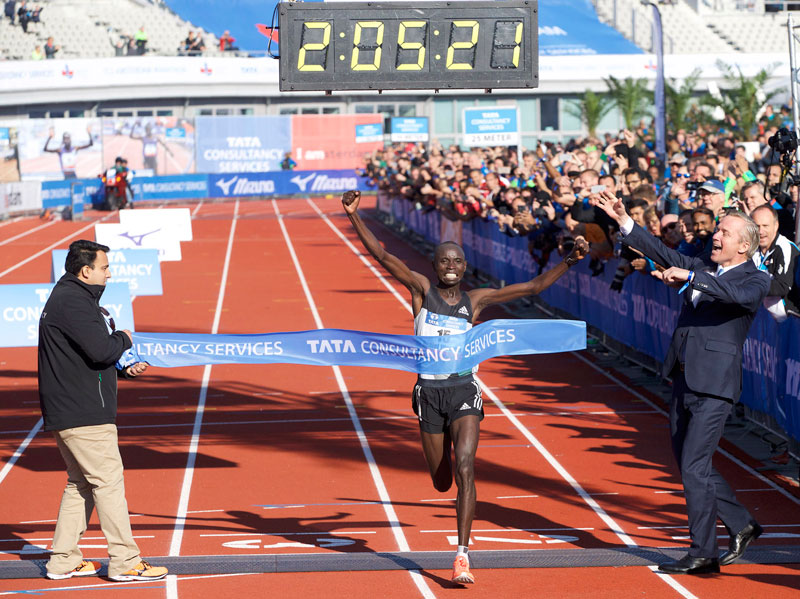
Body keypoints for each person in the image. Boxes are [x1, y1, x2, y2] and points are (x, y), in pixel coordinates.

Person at [341, 189, 589, 584]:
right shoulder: (422, 291)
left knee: (466, 467)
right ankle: (446, 487)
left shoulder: (475, 301)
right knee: (442, 481)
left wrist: (569, 262)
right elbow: (384, 256)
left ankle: (461, 556)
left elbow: (532, 288)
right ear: (436, 265)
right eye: (445, 260)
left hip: (463, 391)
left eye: (457, 260)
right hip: (428, 395)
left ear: (465, 265)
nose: (451, 266)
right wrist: (354, 216)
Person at [592, 189, 769, 575]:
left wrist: (691, 278)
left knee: (693, 465)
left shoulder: (755, 278)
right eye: (717, 230)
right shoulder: (705, 266)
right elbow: (666, 255)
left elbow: (735, 294)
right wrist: (625, 222)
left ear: (743, 245)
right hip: (683, 376)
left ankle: (703, 552)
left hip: (715, 386)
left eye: (723, 231)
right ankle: (742, 524)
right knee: (692, 463)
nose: (716, 236)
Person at [38, 240, 168, 582]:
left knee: (79, 485)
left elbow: (88, 357)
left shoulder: (69, 298)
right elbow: (99, 350)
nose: (109, 274)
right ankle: (126, 562)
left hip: (70, 410)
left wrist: (124, 370)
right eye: (105, 267)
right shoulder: (74, 302)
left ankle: (63, 560)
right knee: (108, 484)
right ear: (86, 271)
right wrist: (124, 338)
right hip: (84, 414)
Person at [750, 204, 800, 321]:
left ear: (776, 225)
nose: (761, 231)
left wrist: (750, 287)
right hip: (761, 320)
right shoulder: (752, 248)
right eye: (757, 226)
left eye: (765, 226)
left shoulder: (785, 248)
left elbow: (782, 286)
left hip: (786, 322)